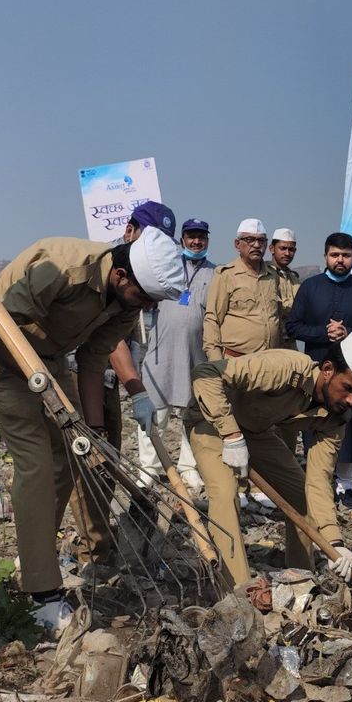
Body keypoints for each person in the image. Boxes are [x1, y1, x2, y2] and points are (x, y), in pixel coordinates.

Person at [0, 229, 184, 631]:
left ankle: (35, 554)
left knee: (69, 459)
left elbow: (93, 358)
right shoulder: (65, 268)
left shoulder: (125, 302)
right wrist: (38, 384)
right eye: (145, 298)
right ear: (120, 276)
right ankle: (42, 596)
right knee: (36, 462)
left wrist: (93, 429)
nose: (147, 306)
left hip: (49, 364)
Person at [186, 330, 352, 588]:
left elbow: (319, 481)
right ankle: (236, 590)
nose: (351, 400)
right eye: (347, 388)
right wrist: (231, 434)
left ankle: (301, 579)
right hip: (212, 423)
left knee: (302, 497)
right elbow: (206, 373)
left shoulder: (337, 417)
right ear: (327, 369)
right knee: (225, 493)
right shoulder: (285, 367)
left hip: (255, 433)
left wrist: (335, 543)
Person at [287, 232, 352, 506]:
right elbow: (292, 326)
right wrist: (323, 333)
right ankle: (320, 482)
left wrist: (347, 332)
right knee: (314, 422)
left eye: (346, 255)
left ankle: (346, 484)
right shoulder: (310, 287)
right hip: (317, 371)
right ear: (325, 256)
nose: (340, 260)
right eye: (335, 255)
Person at [136, 217, 216, 489]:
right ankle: (149, 468)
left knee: (193, 413)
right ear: (182, 238)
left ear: (207, 240)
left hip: (197, 354)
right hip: (162, 352)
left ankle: (189, 466)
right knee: (155, 411)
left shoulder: (216, 273)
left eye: (201, 236)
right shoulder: (166, 267)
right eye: (191, 236)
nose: (196, 241)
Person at [102, 200, 177, 452]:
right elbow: (111, 340)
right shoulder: (110, 273)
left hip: (109, 378)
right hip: (77, 372)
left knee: (109, 451)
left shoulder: (143, 285)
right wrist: (138, 392)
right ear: (129, 231)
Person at [203, 219, 281, 360]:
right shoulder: (226, 275)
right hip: (236, 361)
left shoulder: (272, 276)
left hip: (268, 362)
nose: (257, 245)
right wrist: (216, 361)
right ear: (237, 244)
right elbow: (212, 319)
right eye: (250, 240)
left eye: (261, 240)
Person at [269, 227, 300, 346]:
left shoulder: (294, 278)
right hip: (271, 341)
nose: (287, 253)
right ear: (272, 249)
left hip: (290, 340)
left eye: (291, 249)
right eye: (282, 248)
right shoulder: (265, 275)